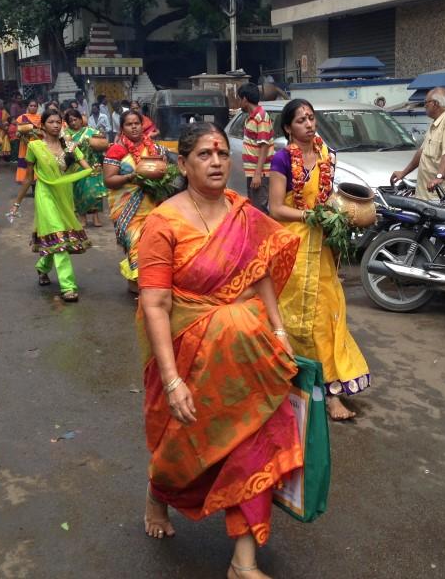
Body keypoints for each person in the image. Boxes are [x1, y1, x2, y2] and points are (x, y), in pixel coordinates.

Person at [137, 122, 303, 578]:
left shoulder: (241, 212)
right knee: (183, 448)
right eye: (204, 155)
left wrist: (280, 332)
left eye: (221, 154)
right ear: (184, 164)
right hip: (190, 356)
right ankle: (158, 494)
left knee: (255, 446)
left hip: (248, 358)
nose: (215, 162)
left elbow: (261, 273)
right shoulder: (163, 221)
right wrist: (171, 381)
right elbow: (155, 302)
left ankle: (243, 562)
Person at [269, 98, 370, 421]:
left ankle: (330, 393)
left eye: (311, 118)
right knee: (292, 321)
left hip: (323, 250)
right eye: (301, 120)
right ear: (288, 128)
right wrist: (309, 216)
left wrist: (337, 219)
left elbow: (329, 199)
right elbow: (275, 209)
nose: (309, 125)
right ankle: (286, 385)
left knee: (327, 318)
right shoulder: (282, 159)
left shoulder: (328, 157)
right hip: (292, 250)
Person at [10, 110, 96, 302]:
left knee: (56, 238)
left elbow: (86, 167)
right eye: (51, 122)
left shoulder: (71, 146)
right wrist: (17, 202)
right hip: (45, 194)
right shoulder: (34, 146)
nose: (56, 125)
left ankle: (42, 268)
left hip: (64, 195)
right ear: (42, 125)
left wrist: (75, 155)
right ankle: (68, 286)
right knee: (58, 237)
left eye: (59, 122)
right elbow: (28, 178)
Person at [104, 110, 167, 293]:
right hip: (126, 206)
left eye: (136, 123)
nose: (133, 127)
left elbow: (167, 171)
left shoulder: (156, 149)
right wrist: (132, 177)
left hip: (154, 204)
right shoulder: (117, 150)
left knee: (153, 244)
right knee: (135, 241)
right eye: (129, 124)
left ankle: (141, 283)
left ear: (142, 125)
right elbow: (108, 180)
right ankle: (144, 286)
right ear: (122, 128)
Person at [389, 86, 445, 199]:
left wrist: (439, 177)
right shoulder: (435, 123)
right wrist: (403, 173)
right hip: (428, 193)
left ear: (435, 103)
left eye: (426, 102)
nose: (425, 106)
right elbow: (422, 152)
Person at [64, 108, 108, 227]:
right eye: (71, 121)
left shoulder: (91, 131)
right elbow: (68, 147)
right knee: (80, 192)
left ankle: (95, 217)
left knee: (95, 192)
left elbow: (102, 142)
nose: (73, 123)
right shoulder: (67, 133)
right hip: (77, 166)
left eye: (75, 119)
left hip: (94, 164)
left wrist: (101, 141)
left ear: (80, 119)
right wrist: (76, 143)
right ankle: (82, 217)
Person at [238, 82, 274, 213]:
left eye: (239, 100)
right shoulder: (251, 117)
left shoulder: (261, 117)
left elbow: (264, 146)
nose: (239, 103)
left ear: (245, 99)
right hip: (253, 172)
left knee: (259, 210)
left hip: (260, 173)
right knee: (253, 208)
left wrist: (257, 174)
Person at [15, 99, 43, 183]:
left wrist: (35, 132)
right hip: (25, 143)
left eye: (35, 106)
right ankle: (28, 182)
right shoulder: (21, 117)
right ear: (28, 106)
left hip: (37, 143)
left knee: (37, 162)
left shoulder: (41, 118)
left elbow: (43, 131)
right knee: (27, 162)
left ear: (37, 107)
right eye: (31, 106)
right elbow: (18, 131)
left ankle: (36, 183)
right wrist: (19, 134)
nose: (33, 107)